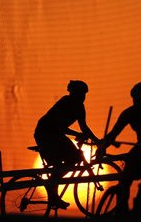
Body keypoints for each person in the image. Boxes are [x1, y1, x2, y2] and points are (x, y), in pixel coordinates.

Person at [96, 81, 141, 216]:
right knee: (125, 180)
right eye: (139, 102)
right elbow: (113, 134)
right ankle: (122, 211)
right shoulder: (130, 113)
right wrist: (102, 146)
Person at [34, 80, 100, 209]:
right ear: (73, 93)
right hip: (45, 133)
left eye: (84, 94)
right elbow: (59, 127)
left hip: (56, 135)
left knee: (70, 159)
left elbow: (84, 127)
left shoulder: (80, 107)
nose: (83, 97)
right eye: (80, 94)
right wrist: (78, 134)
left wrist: (97, 140)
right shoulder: (65, 102)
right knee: (67, 160)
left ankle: (53, 192)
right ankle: (52, 191)